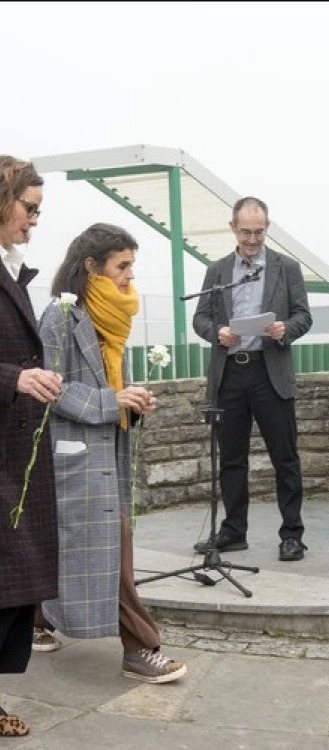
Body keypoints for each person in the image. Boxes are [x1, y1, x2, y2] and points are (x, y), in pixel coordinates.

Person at [36, 222, 187, 684]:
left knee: (67, 548)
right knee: (111, 550)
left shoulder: (109, 317)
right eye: (122, 266)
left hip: (106, 451)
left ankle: (36, 621)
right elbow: (48, 386)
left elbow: (108, 385)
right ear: (91, 267)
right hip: (72, 457)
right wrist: (110, 402)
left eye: (131, 266)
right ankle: (140, 648)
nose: (129, 277)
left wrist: (130, 401)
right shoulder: (60, 316)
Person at [193, 197, 312, 561]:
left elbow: (303, 316)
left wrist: (283, 330)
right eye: (246, 231)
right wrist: (218, 333)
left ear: (267, 228)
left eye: (259, 231)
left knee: (285, 457)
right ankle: (233, 531)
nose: (252, 239)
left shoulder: (286, 268)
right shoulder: (217, 271)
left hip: (268, 370)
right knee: (231, 458)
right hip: (230, 372)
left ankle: (292, 534)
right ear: (233, 228)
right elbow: (199, 318)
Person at [0, 155, 61, 737]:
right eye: (29, 207)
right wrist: (14, 377)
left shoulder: (13, 268)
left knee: (17, 585)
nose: (35, 220)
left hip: (16, 448)